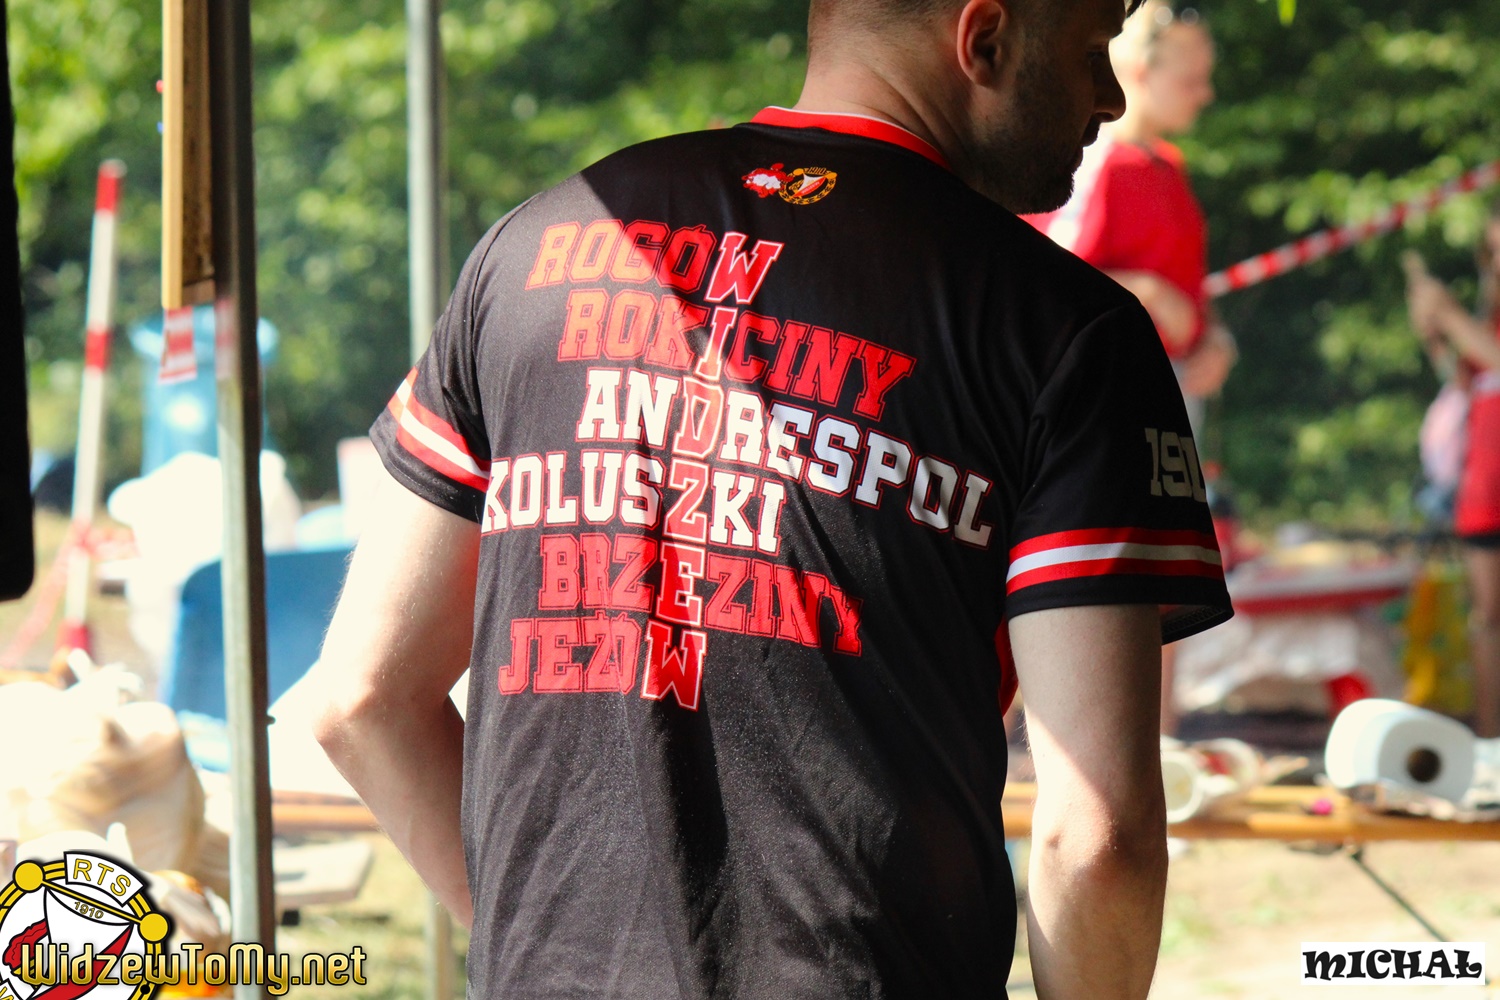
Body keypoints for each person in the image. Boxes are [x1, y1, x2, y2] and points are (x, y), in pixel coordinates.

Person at [311, 0, 1233, 996]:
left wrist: (529, 947)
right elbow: (1097, 833)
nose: (1109, 96)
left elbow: (363, 697)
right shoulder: (1065, 329)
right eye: (1092, 50)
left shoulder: (534, 244)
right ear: (985, 39)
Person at [1024, 0, 1230, 735]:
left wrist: (1215, 339)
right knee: (1094, 571)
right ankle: (1033, 742)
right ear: (1141, 70)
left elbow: (1190, 289)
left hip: (1168, 398)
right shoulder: (1102, 161)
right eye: (1192, 78)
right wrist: (1141, 289)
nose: (1205, 93)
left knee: (1170, 570)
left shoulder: (1168, 164)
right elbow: (1046, 278)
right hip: (1103, 407)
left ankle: (1159, 743)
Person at [1406, 205, 1500, 739]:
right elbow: (1462, 380)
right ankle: (1491, 744)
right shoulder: (1488, 316)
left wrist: (1450, 316)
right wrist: (1434, 332)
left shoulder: (1480, 325)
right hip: (1485, 487)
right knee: (1487, 618)